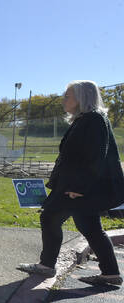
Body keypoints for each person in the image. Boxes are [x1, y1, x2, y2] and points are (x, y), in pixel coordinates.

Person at [18, 80, 124, 286]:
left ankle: (46, 266)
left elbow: (95, 157)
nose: (63, 99)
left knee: (50, 217)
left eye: (67, 96)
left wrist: (79, 188)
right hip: (80, 187)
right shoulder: (88, 119)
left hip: (77, 188)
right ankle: (110, 273)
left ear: (81, 98)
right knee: (89, 225)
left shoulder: (93, 120)